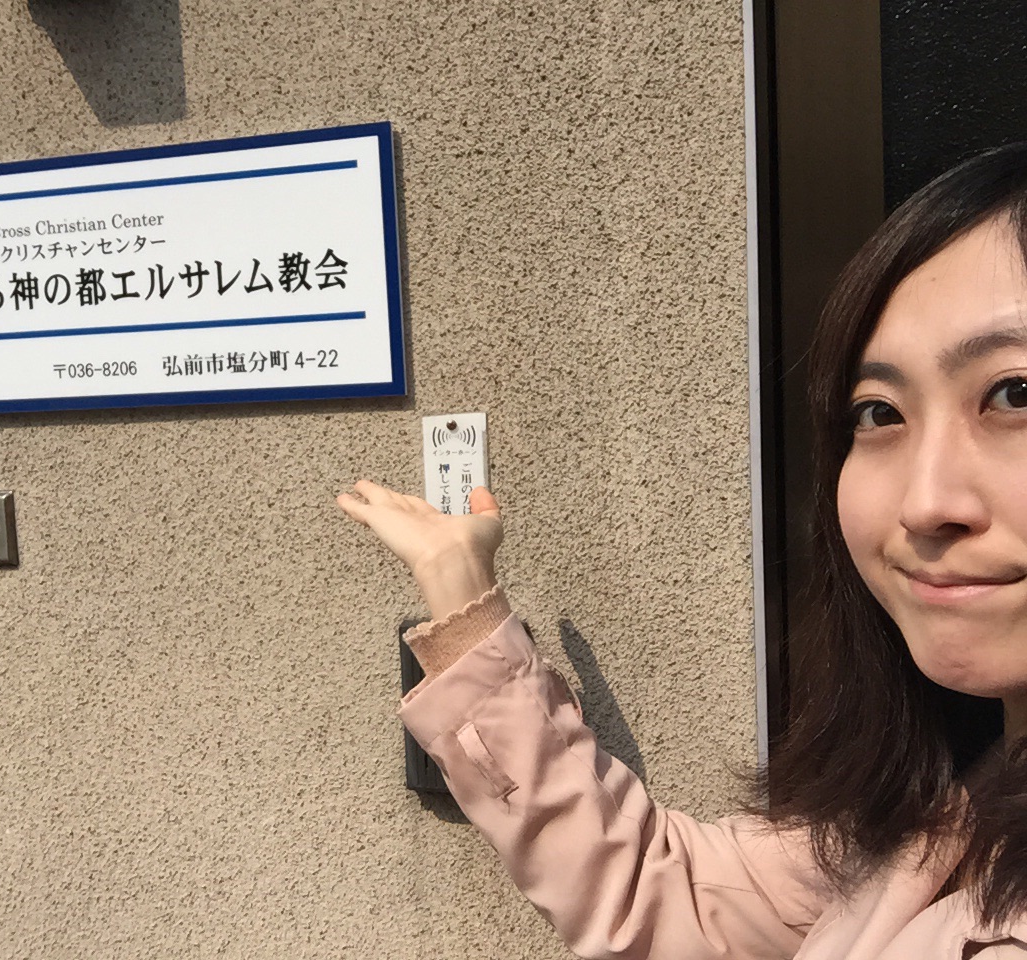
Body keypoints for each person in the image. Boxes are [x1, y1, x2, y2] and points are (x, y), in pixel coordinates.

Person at [337, 143, 1027, 959]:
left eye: (1014, 394)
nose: (925, 503)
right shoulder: (953, 820)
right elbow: (663, 896)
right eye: (879, 412)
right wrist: (461, 599)